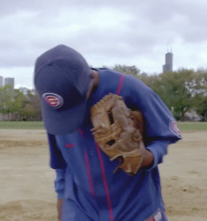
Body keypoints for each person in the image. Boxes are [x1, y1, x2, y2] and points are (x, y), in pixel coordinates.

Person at [34, 44, 181, 221]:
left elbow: (164, 136)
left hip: (135, 208)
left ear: (88, 79)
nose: (68, 115)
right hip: (81, 210)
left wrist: (145, 157)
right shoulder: (55, 110)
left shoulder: (129, 88)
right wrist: (63, 212)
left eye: (74, 106)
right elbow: (62, 168)